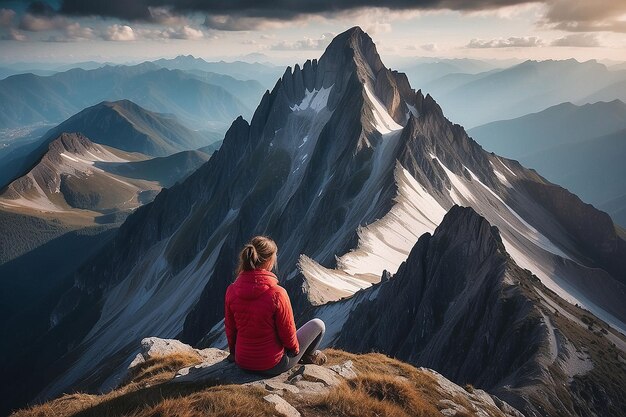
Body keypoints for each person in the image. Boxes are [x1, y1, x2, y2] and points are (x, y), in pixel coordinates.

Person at [224, 236, 326, 376]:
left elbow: (231, 329)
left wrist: (234, 354)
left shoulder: (232, 290)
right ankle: (308, 357)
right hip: (272, 364)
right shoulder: (277, 293)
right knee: (318, 324)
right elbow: (288, 334)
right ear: (269, 261)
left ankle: (307, 356)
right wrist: (295, 351)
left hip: (243, 362)